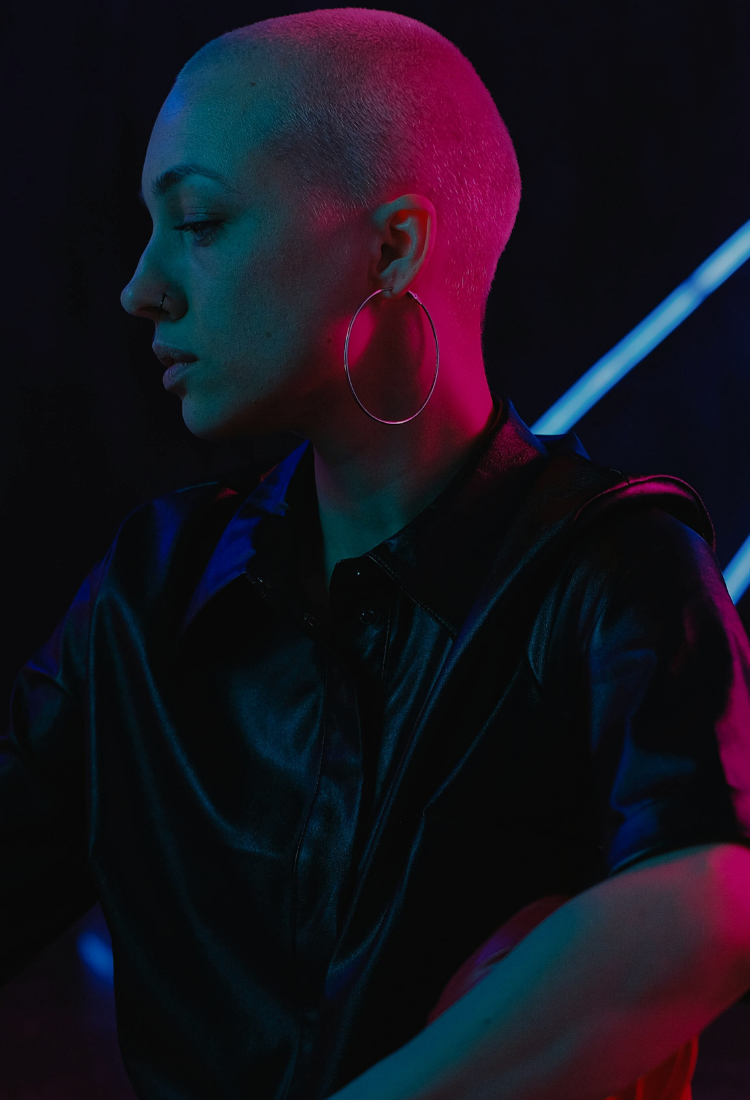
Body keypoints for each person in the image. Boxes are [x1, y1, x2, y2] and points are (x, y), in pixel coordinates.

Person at [2, 8, 750, 1100]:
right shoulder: (150, 587)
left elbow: (712, 898)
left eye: (198, 221)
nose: (142, 286)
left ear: (393, 248)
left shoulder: (612, 570)